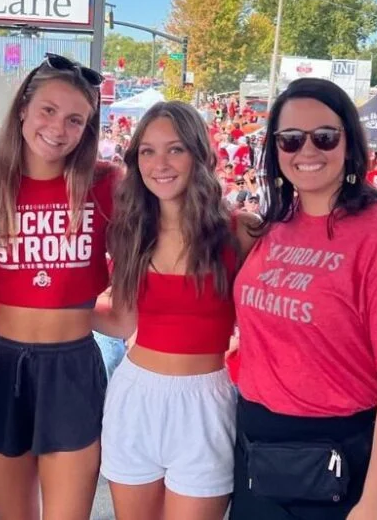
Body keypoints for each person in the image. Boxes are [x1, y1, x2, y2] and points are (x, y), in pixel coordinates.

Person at [231, 78, 377, 519]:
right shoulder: (276, 222)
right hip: (255, 451)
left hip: (339, 459)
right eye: (289, 139)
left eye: (324, 137)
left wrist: (376, 500)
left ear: (349, 144)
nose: (307, 151)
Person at [0, 52, 113, 520]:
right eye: (48, 110)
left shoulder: (107, 184)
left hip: (73, 367)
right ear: (23, 108)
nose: (59, 128)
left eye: (75, 120)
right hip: (1, 364)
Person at [96, 102, 260, 519]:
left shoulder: (241, 231)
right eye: (147, 151)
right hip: (135, 399)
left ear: (199, 154)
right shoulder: (130, 231)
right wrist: (53, 309)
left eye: (175, 149)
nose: (160, 164)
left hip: (206, 404)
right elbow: (122, 321)